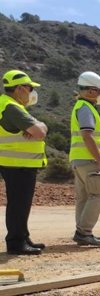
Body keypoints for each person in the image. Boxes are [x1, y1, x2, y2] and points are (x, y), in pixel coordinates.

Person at [0, 69, 47, 255]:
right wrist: (40, 125)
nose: (31, 92)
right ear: (19, 88)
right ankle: (16, 243)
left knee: (20, 202)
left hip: (16, 163)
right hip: (17, 164)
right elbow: (40, 132)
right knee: (19, 203)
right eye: (29, 88)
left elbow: (36, 130)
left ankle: (22, 236)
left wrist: (37, 126)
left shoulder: (11, 105)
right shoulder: (12, 107)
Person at [68, 71, 100, 247]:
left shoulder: (79, 106)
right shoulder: (86, 108)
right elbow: (88, 136)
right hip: (89, 160)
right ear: (91, 91)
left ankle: (82, 232)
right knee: (99, 194)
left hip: (78, 160)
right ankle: (84, 232)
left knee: (83, 198)